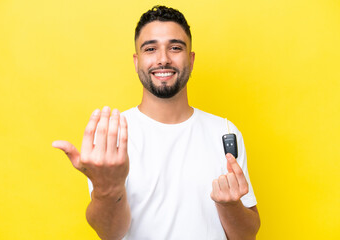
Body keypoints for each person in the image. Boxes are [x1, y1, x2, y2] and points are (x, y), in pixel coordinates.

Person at [52, 5, 260, 240]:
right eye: (150, 49)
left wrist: (230, 206)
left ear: (190, 60)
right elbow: (109, 233)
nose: (163, 59)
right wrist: (107, 190)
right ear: (136, 61)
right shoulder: (113, 135)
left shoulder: (225, 132)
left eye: (175, 48)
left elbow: (246, 236)